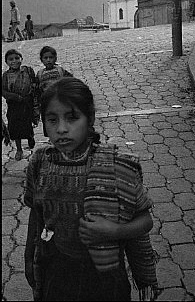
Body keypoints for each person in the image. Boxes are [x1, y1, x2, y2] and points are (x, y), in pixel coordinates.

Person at [24, 77, 158, 301]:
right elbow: (36, 213)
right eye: (52, 120)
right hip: (56, 269)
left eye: (72, 118)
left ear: (91, 118)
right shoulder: (40, 163)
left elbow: (145, 220)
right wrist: (29, 256)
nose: (62, 129)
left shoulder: (117, 167)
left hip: (105, 276)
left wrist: (115, 231)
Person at [2, 49, 39, 160]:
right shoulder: (6, 75)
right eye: (11, 59)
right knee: (14, 127)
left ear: (21, 59)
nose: (14, 61)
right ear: (6, 62)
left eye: (17, 58)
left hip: (27, 103)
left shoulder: (28, 71)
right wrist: (15, 97)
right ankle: (19, 149)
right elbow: (3, 91)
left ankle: (30, 137)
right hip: (14, 105)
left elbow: (35, 84)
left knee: (27, 123)